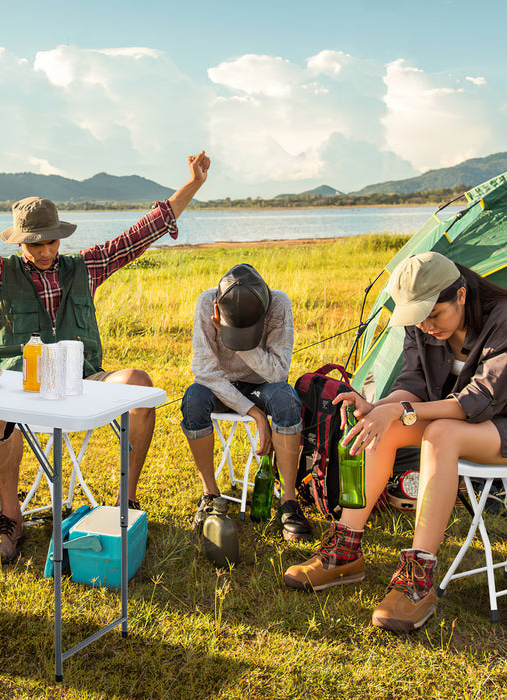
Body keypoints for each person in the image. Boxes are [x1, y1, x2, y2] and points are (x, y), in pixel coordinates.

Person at [0, 151, 210, 564]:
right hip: (18, 389)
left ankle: (125, 504)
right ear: (20, 241)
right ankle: (10, 518)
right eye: (35, 243)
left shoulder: (87, 266)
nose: (45, 250)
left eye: (51, 240)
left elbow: (140, 234)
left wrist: (193, 184)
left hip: (82, 382)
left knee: (138, 382)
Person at [284, 251, 507, 632]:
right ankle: (345, 550)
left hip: (497, 424)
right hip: (454, 422)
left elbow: (479, 400)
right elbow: (413, 383)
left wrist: (403, 410)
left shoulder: (502, 318)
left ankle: (419, 577)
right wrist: (377, 407)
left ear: (462, 296)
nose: (425, 325)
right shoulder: (420, 325)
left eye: (434, 314)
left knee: (440, 433)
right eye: (418, 317)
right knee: (378, 424)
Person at [181, 263, 311, 541]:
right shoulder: (207, 302)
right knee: (192, 400)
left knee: (287, 399)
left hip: (263, 384)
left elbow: (278, 373)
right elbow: (205, 373)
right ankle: (211, 495)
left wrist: (240, 343)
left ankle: (289, 502)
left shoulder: (278, 304)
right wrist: (255, 414)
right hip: (220, 385)